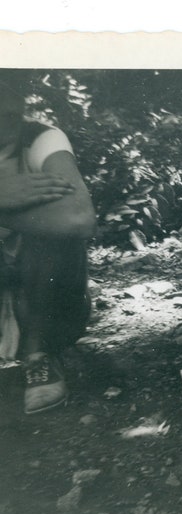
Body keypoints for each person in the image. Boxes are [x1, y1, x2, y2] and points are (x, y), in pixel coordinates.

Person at [0, 72, 96, 414]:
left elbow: (79, 218)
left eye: (10, 92)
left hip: (45, 303)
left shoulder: (40, 138)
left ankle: (38, 356)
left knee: (56, 234)